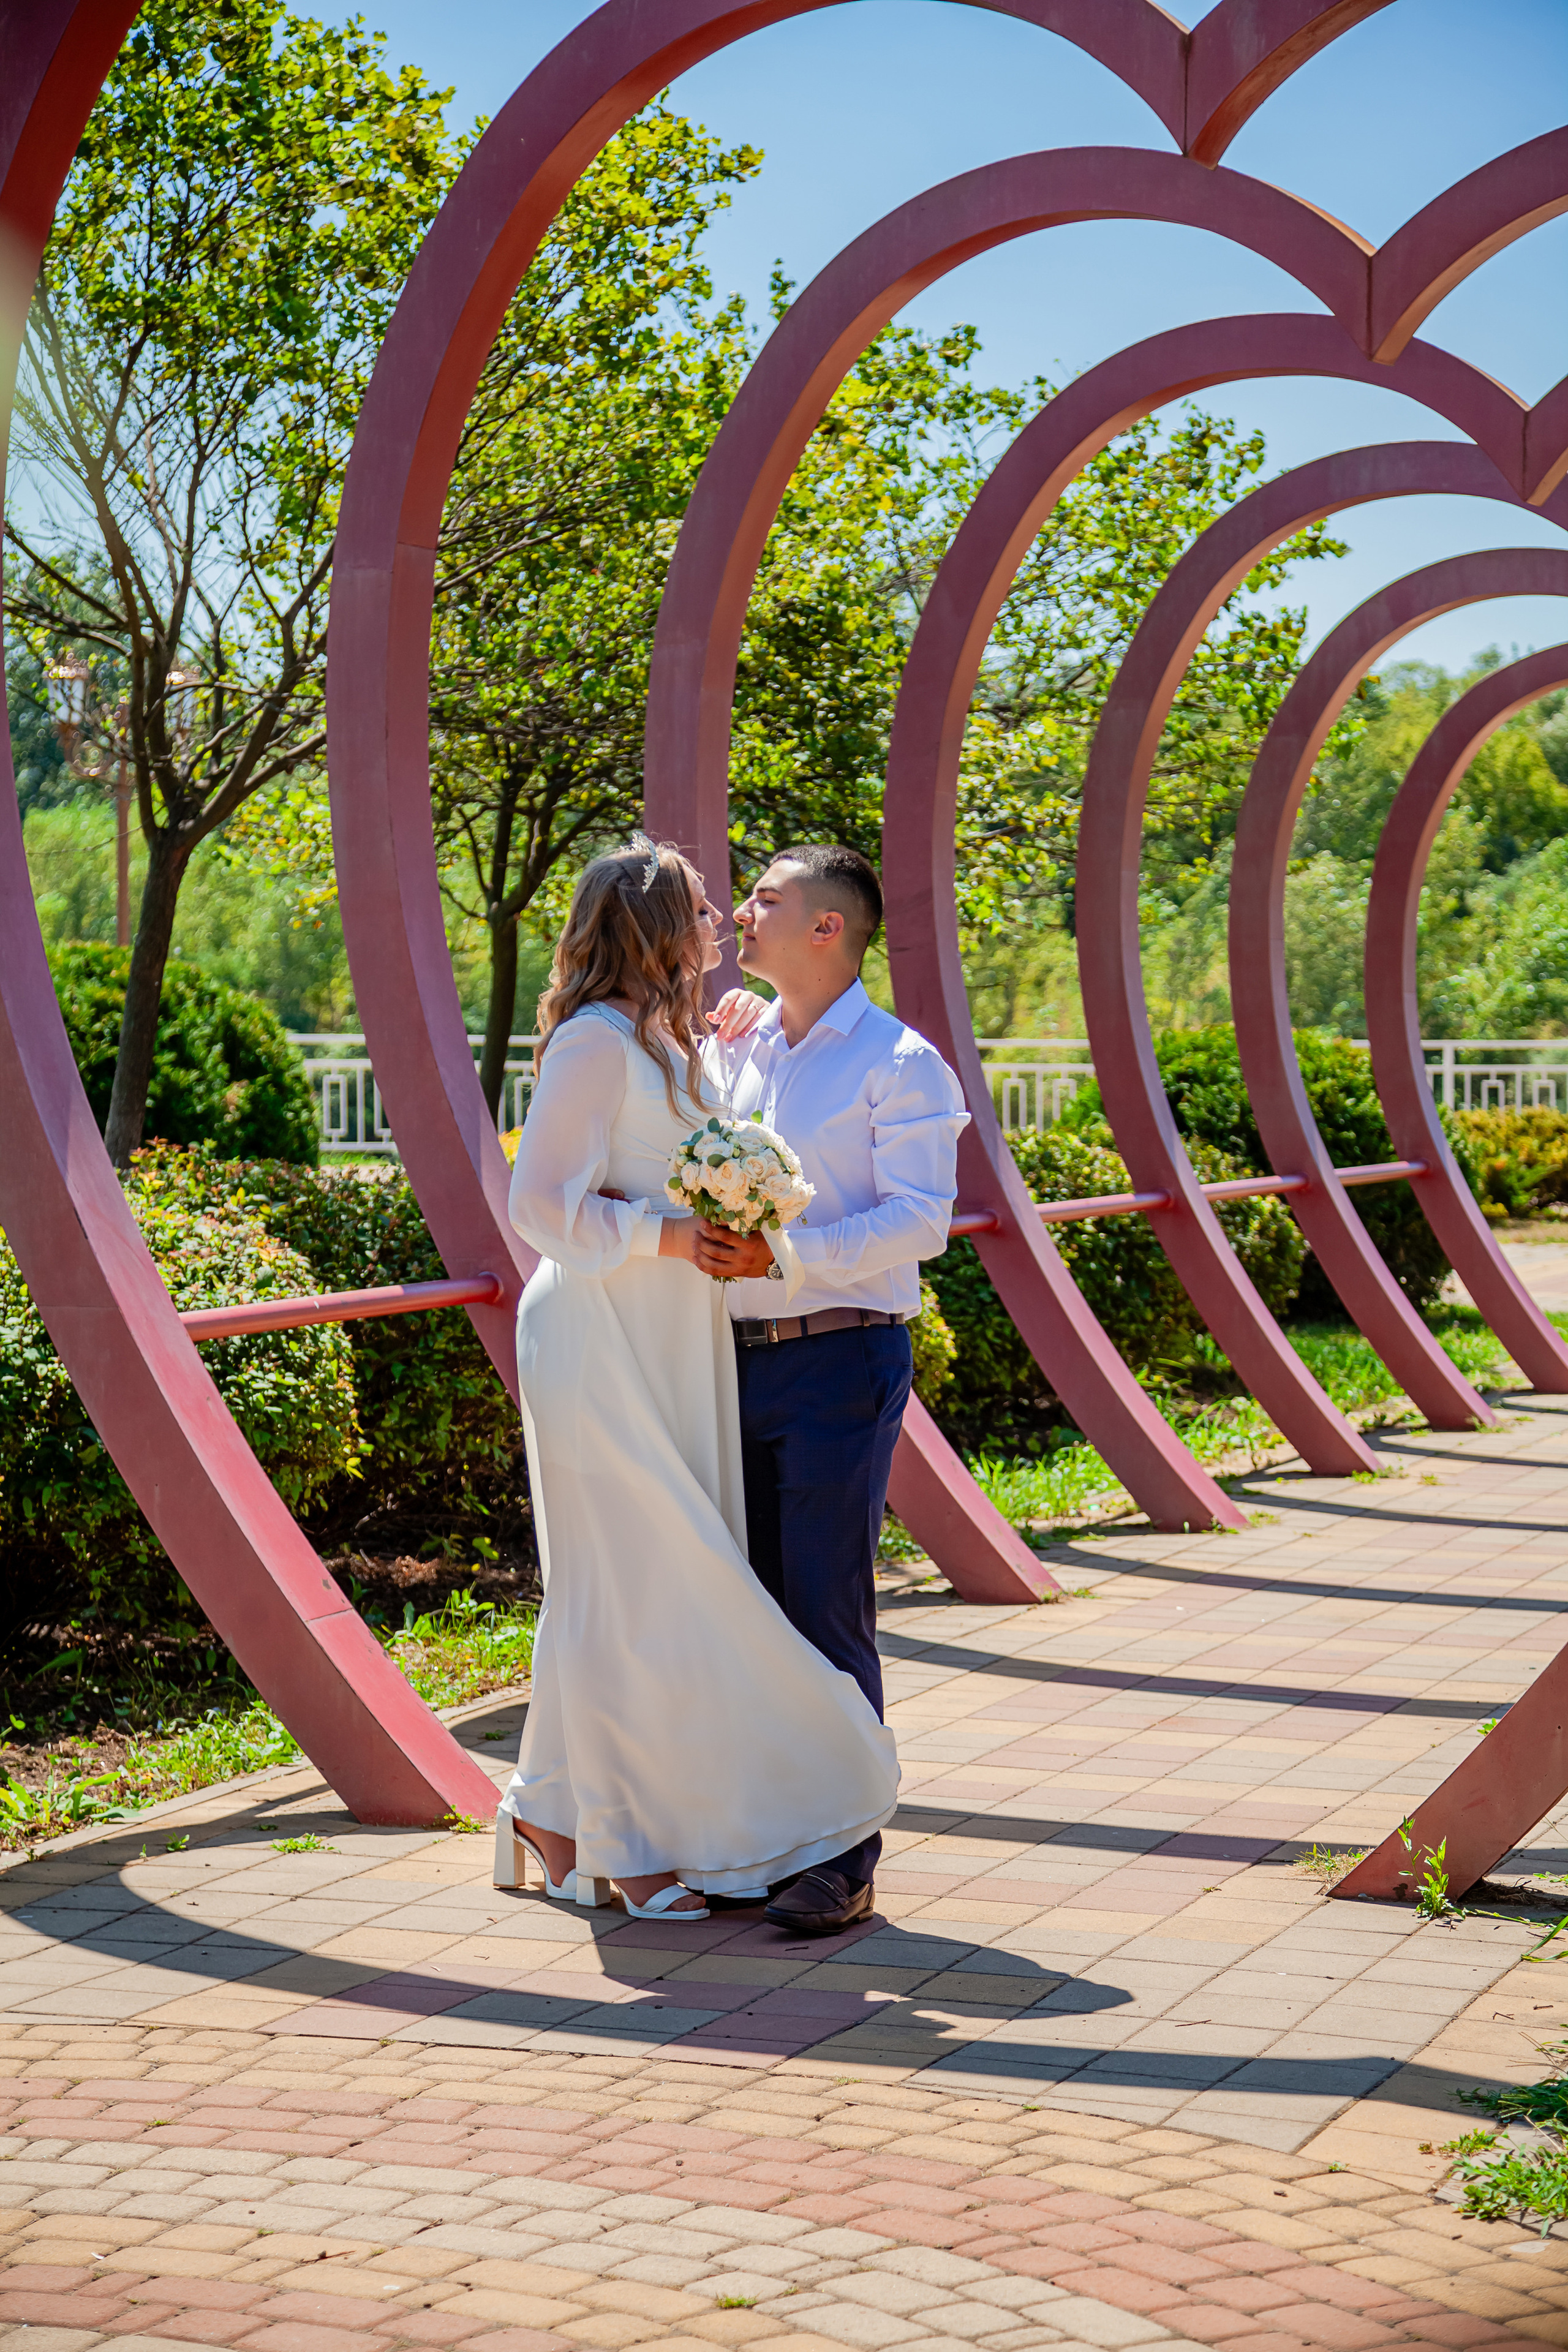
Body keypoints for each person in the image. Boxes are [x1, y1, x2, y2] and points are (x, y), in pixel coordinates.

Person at [494, 836, 899, 1921]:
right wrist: (667, 1240)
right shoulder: (589, 1043)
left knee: (630, 1581)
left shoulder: (674, 1041)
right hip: (600, 1332)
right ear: (653, 928)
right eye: (704, 910)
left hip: (676, 1340)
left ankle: (553, 1806)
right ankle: (623, 1841)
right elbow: (538, 1208)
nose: (723, 922)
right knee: (634, 1581)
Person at [701, 845, 968, 1936]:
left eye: (765, 898)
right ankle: (771, 1840)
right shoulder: (740, 1045)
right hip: (723, 1365)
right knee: (747, 1609)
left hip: (839, 1357)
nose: (742, 912)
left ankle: (845, 1859)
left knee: (824, 1606)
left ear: (829, 929)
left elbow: (922, 1221)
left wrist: (785, 1260)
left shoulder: (902, 1062)